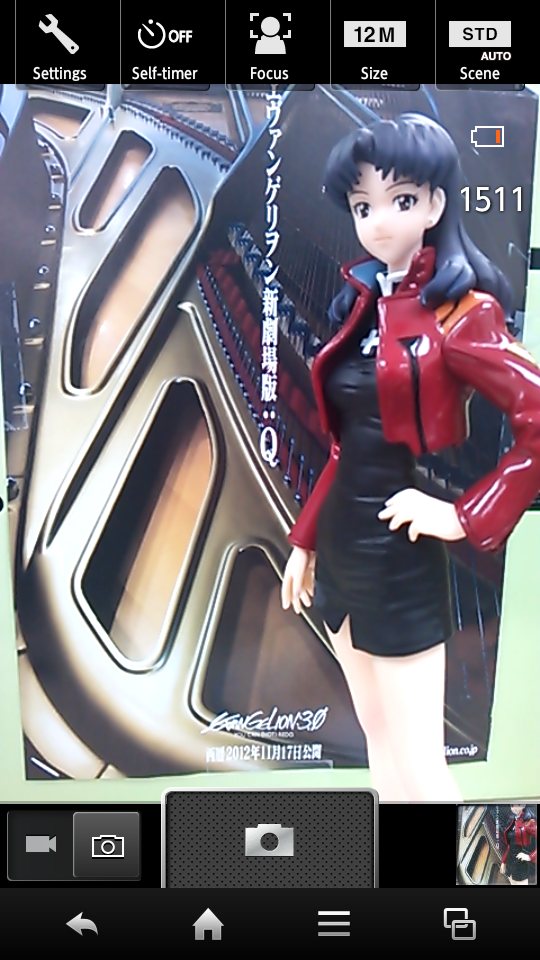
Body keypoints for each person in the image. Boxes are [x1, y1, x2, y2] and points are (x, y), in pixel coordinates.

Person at [280, 113, 540, 801]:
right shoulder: (363, 304)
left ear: (434, 204)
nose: (378, 222)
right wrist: (304, 541)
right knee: (377, 741)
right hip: (342, 551)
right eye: (362, 205)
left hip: (399, 556)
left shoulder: (461, 314)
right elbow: (347, 447)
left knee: (422, 766)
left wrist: (464, 515)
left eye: (399, 200)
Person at [500, 804, 537, 885]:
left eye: (518, 805)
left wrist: (530, 857)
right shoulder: (512, 820)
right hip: (510, 862)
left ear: (524, 805)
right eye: (512, 805)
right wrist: (504, 862)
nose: (514, 808)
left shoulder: (530, 822)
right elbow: (510, 845)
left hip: (520, 863)